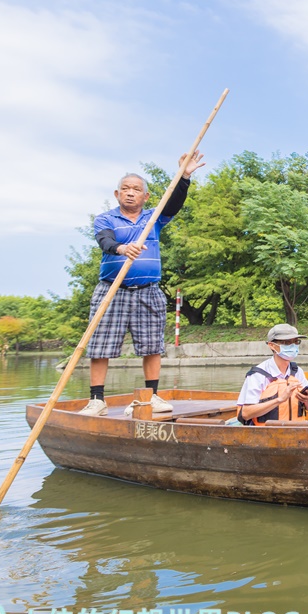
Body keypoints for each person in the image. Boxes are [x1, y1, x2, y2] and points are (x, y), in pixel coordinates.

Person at [81, 152, 205, 416]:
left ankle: (151, 397)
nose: (130, 193)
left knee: (152, 345)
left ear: (145, 196)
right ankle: (97, 400)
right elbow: (105, 241)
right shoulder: (106, 219)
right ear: (117, 194)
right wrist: (121, 248)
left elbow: (173, 204)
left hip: (148, 290)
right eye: (125, 189)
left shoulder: (154, 217)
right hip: (112, 289)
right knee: (100, 346)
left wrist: (184, 176)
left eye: (136, 190)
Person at [235, 324, 308, 425]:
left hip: (297, 433)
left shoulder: (297, 371)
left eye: (296, 342)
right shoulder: (258, 374)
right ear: (272, 345)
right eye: (287, 342)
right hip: (267, 435)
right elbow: (246, 413)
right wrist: (279, 399)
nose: (293, 346)